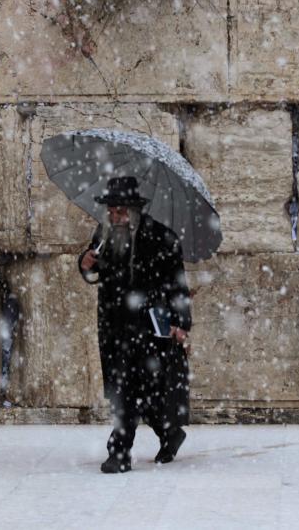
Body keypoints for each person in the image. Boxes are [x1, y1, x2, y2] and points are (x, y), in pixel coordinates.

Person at [77, 176, 192, 474]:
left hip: (150, 326)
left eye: (121, 211)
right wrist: (86, 264)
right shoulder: (103, 235)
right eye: (111, 211)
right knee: (134, 391)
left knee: (130, 391)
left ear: (135, 211)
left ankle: (119, 452)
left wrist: (180, 324)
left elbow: (177, 285)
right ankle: (170, 432)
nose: (115, 217)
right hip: (114, 326)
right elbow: (95, 271)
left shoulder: (161, 238)